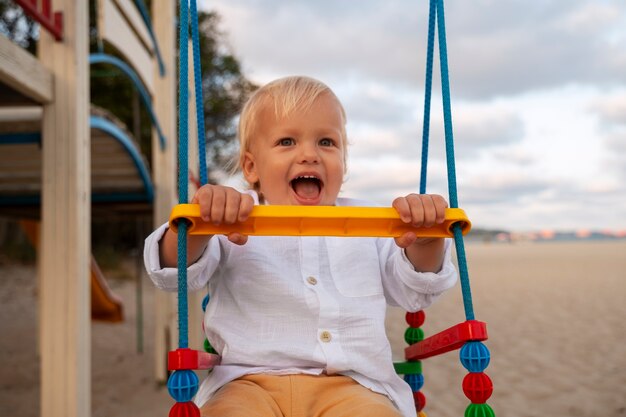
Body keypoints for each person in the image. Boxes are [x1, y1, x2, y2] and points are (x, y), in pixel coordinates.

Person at [144, 76, 458, 417]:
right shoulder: (231, 218)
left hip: (355, 386)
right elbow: (171, 273)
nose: (309, 154)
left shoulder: (373, 221)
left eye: (326, 142)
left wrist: (426, 239)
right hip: (248, 384)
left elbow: (416, 288)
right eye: (286, 142)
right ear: (251, 167)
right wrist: (199, 223)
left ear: (344, 163)